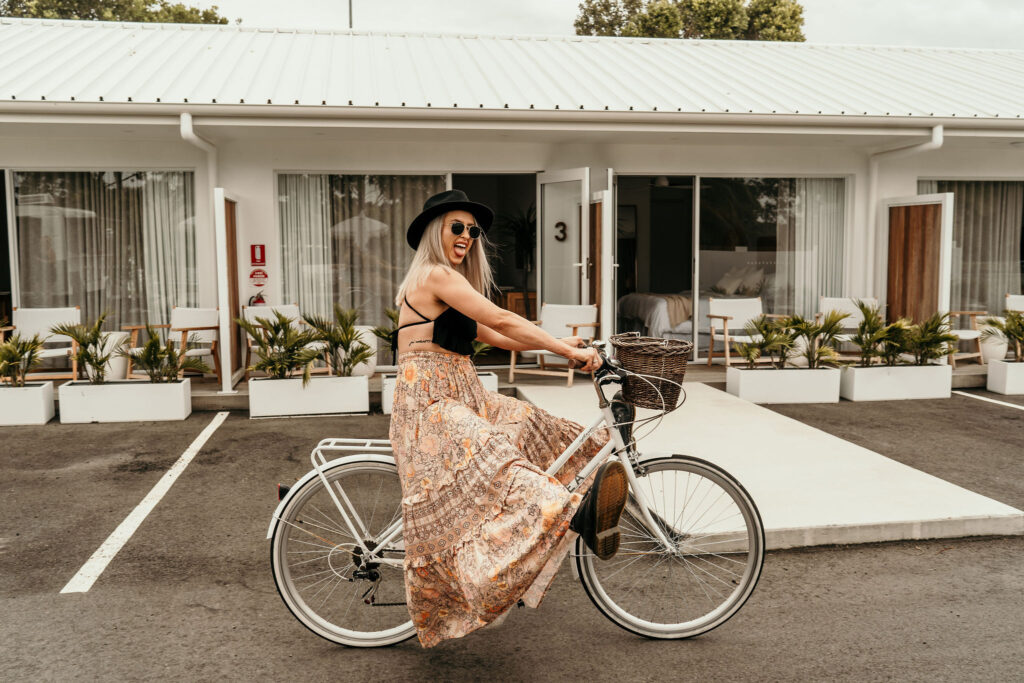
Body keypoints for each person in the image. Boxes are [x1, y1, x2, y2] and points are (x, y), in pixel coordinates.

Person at [389, 189, 629, 649]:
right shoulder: (435, 276)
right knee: (507, 467)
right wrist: (565, 349)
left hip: (466, 394)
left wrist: (569, 347)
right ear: (433, 233)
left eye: (472, 230)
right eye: (456, 227)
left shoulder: (451, 289)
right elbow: (502, 315)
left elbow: (503, 334)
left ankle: (585, 506)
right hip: (431, 407)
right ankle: (563, 520)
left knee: (545, 430)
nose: (465, 236)